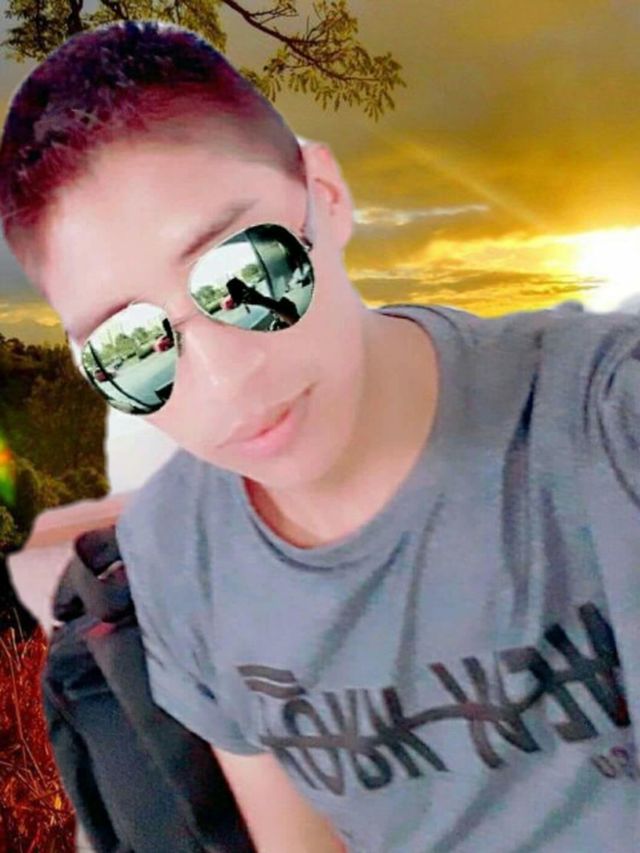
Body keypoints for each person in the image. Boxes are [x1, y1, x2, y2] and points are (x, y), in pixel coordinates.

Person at [1, 19, 640, 853]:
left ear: (326, 197)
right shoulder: (174, 554)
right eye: (130, 346)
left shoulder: (605, 416)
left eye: (246, 271)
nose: (226, 378)